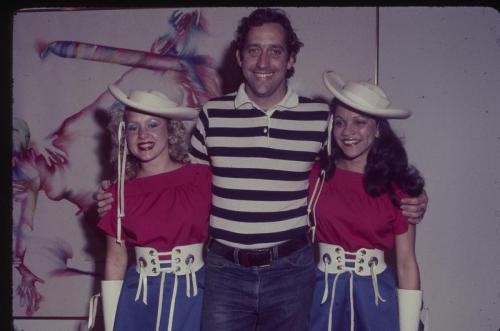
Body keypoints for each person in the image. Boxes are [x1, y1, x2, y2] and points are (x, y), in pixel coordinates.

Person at [96, 8, 428, 331]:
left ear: (291, 59)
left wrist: (412, 195)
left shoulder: (321, 120)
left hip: (292, 271)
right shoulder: (213, 114)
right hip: (224, 272)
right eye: (254, 50)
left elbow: (357, 163)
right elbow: (180, 183)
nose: (264, 62)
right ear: (239, 57)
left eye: (275, 51)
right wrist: (121, 191)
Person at [308, 71, 425, 331]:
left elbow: (406, 262)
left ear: (378, 129)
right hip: (322, 298)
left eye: (359, 122)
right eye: (339, 122)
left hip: (375, 301)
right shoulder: (316, 176)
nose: (347, 131)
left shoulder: (398, 188)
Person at [91, 85, 211, 331]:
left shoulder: (202, 178)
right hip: (139, 301)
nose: (143, 134)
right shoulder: (117, 193)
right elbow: (115, 262)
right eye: (133, 127)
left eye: (153, 124)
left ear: (171, 130)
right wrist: (112, 324)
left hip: (197, 296)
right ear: (124, 136)